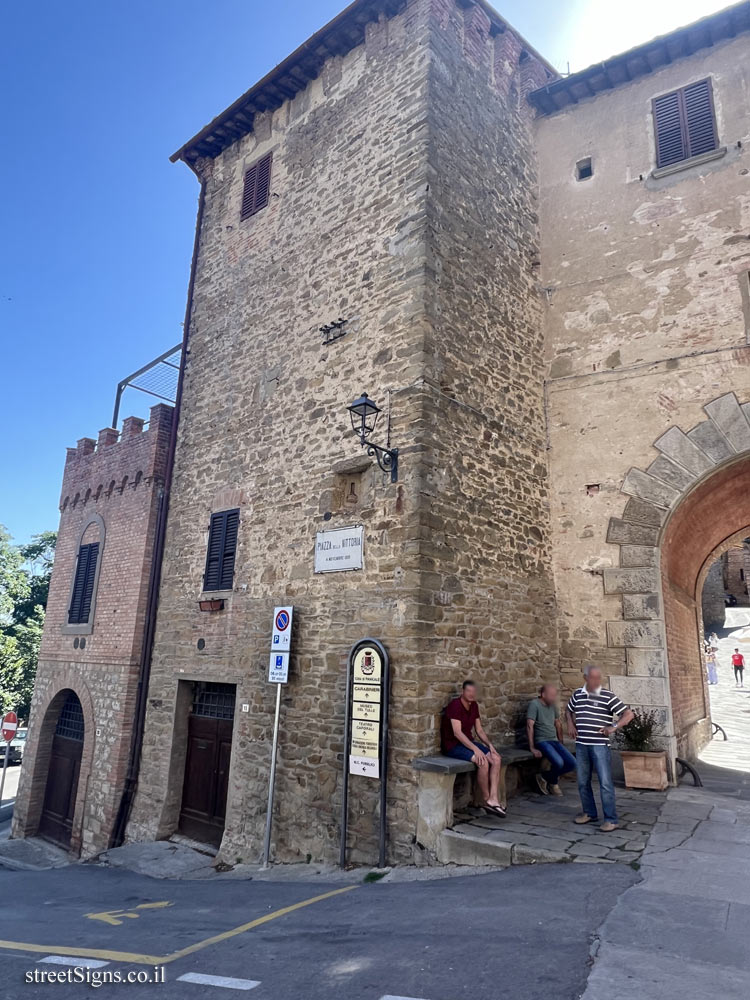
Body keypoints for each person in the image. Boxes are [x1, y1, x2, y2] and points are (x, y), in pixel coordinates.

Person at [566, 666, 634, 833]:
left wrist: (614, 727)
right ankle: (589, 813)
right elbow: (568, 710)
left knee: (605, 783)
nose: (597, 681)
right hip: (582, 744)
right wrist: (570, 724)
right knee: (582, 781)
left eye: (599, 678)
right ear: (585, 678)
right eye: (593, 678)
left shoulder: (607, 696)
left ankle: (611, 819)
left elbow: (628, 714)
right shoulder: (577, 694)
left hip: (599, 746)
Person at [441, 680, 506, 817]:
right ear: (463, 691)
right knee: (482, 761)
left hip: (468, 742)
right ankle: (486, 798)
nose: (471, 694)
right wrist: (476, 750)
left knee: (496, 759)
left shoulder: (474, 706)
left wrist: (489, 745)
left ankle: (494, 799)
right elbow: (457, 733)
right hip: (453, 745)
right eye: (468, 691)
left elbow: (479, 730)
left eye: (473, 692)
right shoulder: (455, 706)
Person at [526, 684, 576, 796]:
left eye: (555, 695)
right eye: (551, 695)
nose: (554, 697)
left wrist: (561, 742)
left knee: (572, 763)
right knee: (558, 762)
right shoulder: (534, 705)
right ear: (543, 695)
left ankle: (544, 777)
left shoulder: (552, 706)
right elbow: (529, 726)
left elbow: (557, 724)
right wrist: (532, 748)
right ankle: (553, 783)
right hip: (542, 740)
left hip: (554, 740)